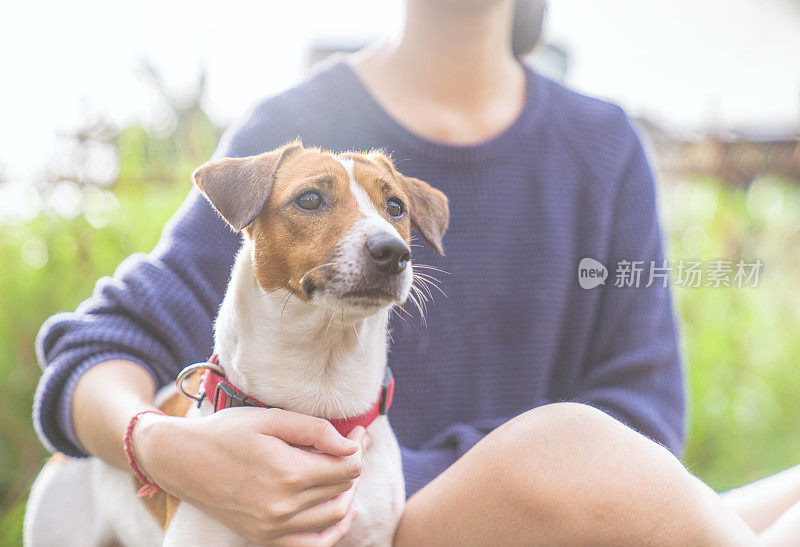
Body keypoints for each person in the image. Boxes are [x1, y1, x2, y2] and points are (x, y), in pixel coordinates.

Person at [32, 0, 800, 544]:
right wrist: (166, 448)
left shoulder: (605, 151)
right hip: (364, 521)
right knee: (574, 446)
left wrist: (419, 472)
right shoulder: (286, 140)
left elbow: (645, 422)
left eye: (394, 214)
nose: (383, 233)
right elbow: (97, 347)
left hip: (519, 509)